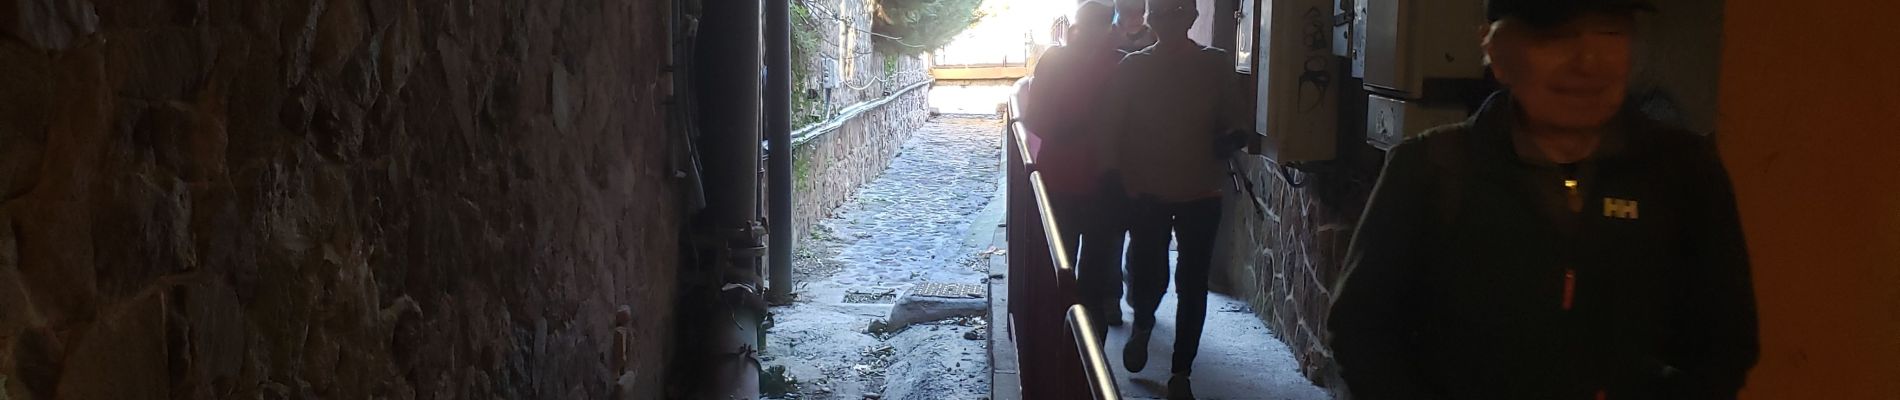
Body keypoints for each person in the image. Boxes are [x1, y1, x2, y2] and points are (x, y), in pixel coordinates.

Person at [1326, 1, 1760, 399]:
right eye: (1554, 37)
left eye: (1609, 33)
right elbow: (1360, 328)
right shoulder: (1431, 169)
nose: (1588, 62)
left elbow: (1724, 343)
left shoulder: (1684, 173)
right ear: (1495, 51)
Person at [1093, 0, 1248, 397]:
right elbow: (1111, 125)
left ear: (1193, 16)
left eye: (1178, 10)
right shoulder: (1134, 66)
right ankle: (1143, 322)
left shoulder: (1215, 63)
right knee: (1149, 273)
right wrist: (1114, 176)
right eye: (1161, 11)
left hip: (1200, 189)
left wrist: (1231, 137)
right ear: (1150, 18)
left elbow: (1234, 118)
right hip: (1148, 191)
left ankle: (1182, 370)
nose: (1169, 18)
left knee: (1192, 282)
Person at [1024, 0, 1130, 327]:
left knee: (1074, 275)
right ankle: (1078, 356)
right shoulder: (1121, 65)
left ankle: (1074, 358)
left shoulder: (1120, 66)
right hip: (1084, 185)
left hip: (1089, 186)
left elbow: (1036, 119)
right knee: (1081, 277)